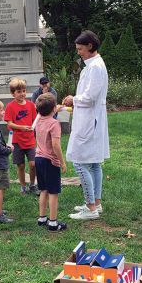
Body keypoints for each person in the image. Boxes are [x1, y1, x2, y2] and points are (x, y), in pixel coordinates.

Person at [64, 30, 110, 220]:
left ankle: (91, 207)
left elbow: (90, 97)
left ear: (90, 46)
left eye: (80, 49)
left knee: (80, 161)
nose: (78, 52)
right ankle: (95, 204)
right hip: (90, 118)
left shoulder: (96, 67)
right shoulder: (92, 65)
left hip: (90, 119)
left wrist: (72, 99)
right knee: (93, 162)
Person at [35, 93, 67, 232]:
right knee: (53, 192)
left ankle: (42, 218)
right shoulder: (54, 124)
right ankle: (53, 222)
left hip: (38, 159)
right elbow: (56, 145)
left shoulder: (38, 120)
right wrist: (62, 162)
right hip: (51, 161)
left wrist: (54, 108)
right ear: (54, 108)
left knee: (44, 189)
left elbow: (45, 110)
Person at [4, 77, 39, 195]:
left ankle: (33, 184)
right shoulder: (10, 106)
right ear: (13, 93)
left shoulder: (31, 105)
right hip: (17, 140)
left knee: (33, 164)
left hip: (30, 140)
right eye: (19, 91)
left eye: (24, 91)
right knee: (21, 165)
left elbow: (35, 121)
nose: (22, 94)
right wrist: (22, 127)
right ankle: (23, 186)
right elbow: (9, 123)